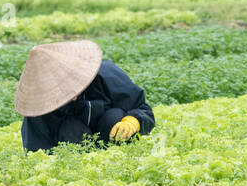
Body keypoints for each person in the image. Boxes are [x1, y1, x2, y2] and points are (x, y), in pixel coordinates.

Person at [14, 40, 155, 152]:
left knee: (114, 116)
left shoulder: (107, 76)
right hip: (75, 149)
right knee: (71, 129)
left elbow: (143, 109)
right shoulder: (40, 107)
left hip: (110, 137)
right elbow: (37, 150)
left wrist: (133, 121)